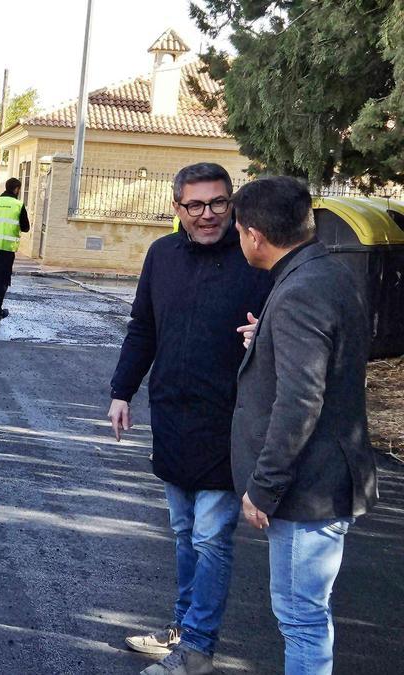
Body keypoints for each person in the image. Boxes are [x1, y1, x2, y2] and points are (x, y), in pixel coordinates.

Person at [108, 163, 272, 675]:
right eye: (195, 205)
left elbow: (285, 329)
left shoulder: (255, 259)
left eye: (219, 203)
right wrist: (121, 391)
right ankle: (181, 630)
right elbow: (143, 327)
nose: (208, 215)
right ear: (176, 207)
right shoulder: (161, 255)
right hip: (174, 417)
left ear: (233, 204)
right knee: (183, 532)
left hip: (230, 422)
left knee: (210, 537)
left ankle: (198, 648)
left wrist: (264, 334)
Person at [230, 177, 377, 675]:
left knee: (302, 621)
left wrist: (263, 488)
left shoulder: (299, 291)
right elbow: (327, 360)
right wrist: (266, 339)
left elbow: (300, 401)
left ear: (253, 235)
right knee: (307, 617)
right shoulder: (326, 273)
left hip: (307, 488)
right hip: (325, 479)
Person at [0, 178, 30, 327]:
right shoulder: (18, 205)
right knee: (2, 283)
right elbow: (25, 227)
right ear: (16, 189)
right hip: (7, 250)